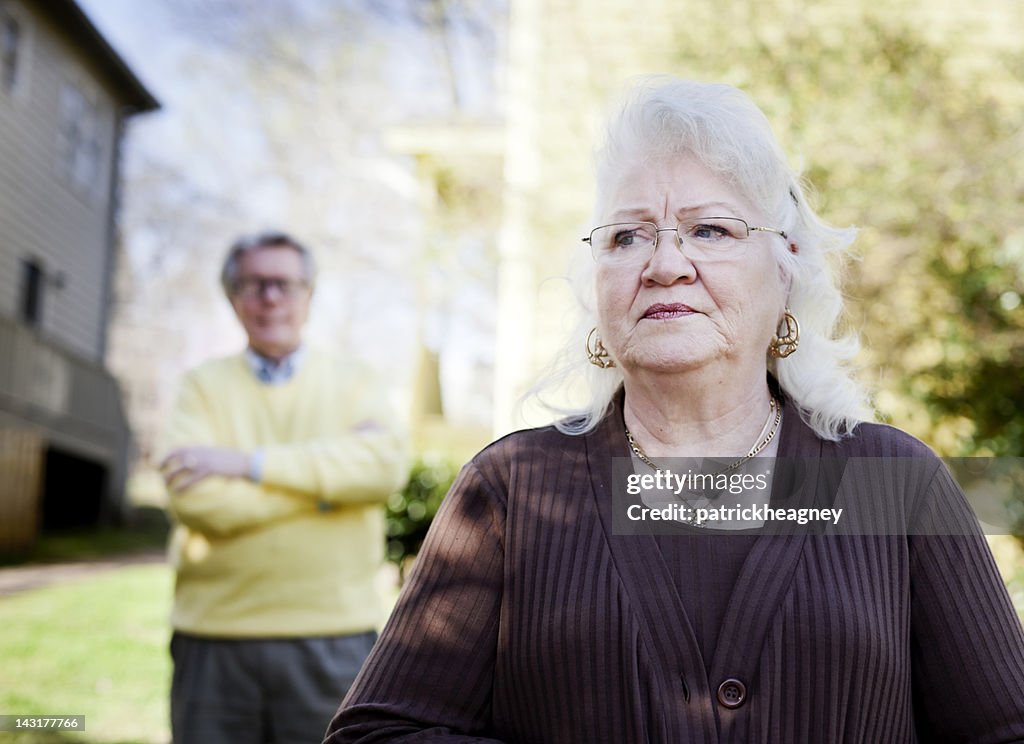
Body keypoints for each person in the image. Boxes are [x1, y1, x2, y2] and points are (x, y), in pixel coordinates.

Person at [323, 79, 1024, 742]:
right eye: (627, 236)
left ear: (787, 269)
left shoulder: (892, 484)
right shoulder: (512, 490)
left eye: (710, 230)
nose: (664, 263)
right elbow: (378, 733)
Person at [160, 230, 408, 744]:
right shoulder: (200, 385)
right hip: (214, 637)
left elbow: (383, 470)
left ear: (309, 295)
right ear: (233, 298)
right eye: (253, 284)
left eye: (284, 284)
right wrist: (327, 488)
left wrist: (243, 464)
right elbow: (197, 501)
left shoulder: (356, 380)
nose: (270, 297)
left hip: (334, 635)